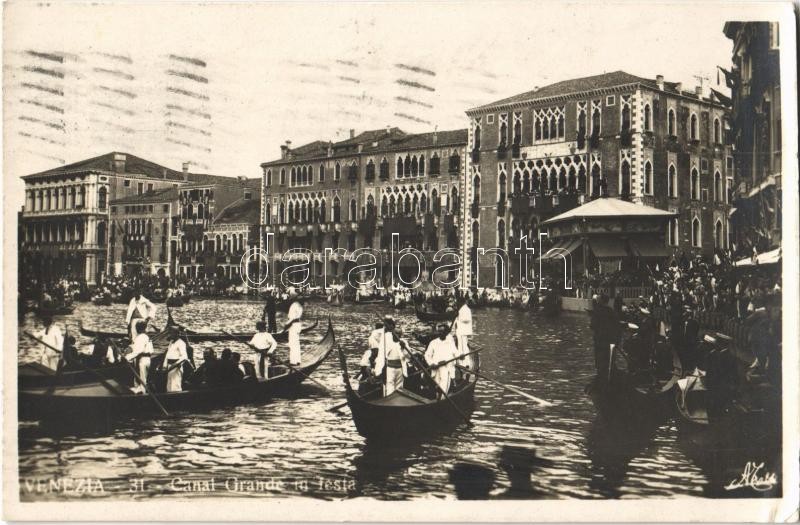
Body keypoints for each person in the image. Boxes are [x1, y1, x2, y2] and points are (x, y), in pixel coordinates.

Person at [590, 293, 620, 386]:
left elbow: (593, 326)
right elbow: (617, 327)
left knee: (600, 362)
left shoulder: (597, 311)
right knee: (609, 361)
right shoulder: (612, 312)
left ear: (601, 301)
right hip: (610, 341)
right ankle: (610, 380)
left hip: (600, 341)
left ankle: (601, 381)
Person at [373, 318, 408, 396]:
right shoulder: (387, 339)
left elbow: (408, 356)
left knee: (399, 387)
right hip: (390, 368)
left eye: (398, 334)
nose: (397, 336)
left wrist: (403, 348)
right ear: (392, 334)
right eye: (395, 334)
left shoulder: (403, 342)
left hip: (400, 368)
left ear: (400, 335)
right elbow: (375, 335)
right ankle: (389, 399)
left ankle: (398, 400)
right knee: (390, 386)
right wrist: (385, 329)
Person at [424, 322, 458, 398]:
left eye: (442, 331)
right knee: (437, 387)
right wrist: (431, 363)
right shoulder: (433, 342)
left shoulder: (450, 342)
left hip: (446, 368)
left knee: (443, 388)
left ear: (446, 333)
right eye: (439, 331)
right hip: (436, 368)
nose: (440, 333)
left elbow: (456, 353)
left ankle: (442, 399)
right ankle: (438, 399)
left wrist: (461, 355)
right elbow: (427, 355)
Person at [160, 328, 192, 392]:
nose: (170, 335)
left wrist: (175, 364)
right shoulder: (171, 343)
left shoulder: (181, 343)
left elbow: (184, 356)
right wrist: (164, 366)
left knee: (175, 385)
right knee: (169, 386)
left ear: (177, 334)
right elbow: (167, 355)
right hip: (169, 367)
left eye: (172, 333)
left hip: (176, 367)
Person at [128, 321, 154, 394]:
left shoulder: (141, 337)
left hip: (142, 359)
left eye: (137, 327)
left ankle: (142, 393)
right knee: (142, 378)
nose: (136, 329)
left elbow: (138, 351)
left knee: (141, 379)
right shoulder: (146, 336)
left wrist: (127, 357)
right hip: (147, 359)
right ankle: (139, 390)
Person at [454, 297, 474, 380]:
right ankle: (462, 362)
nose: (457, 304)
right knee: (461, 347)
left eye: (458, 302)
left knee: (463, 348)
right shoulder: (462, 309)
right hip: (460, 331)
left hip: (463, 331)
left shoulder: (466, 309)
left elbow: (467, 319)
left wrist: (459, 319)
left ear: (461, 302)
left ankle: (465, 363)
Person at [286, 300, 303, 366]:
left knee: (292, 344)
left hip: (293, 325)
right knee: (296, 343)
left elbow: (292, 319)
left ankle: (293, 361)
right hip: (298, 325)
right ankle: (298, 360)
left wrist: (286, 325)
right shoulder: (300, 305)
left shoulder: (294, 305)